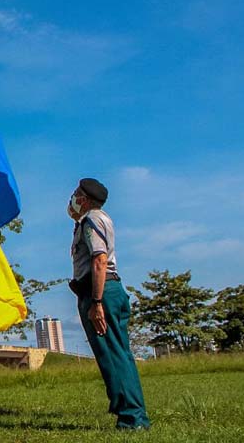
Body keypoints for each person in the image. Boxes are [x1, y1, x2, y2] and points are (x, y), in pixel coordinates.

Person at [68, 178, 150, 430]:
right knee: (119, 354)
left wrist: (96, 302)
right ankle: (133, 414)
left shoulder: (92, 220)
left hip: (101, 292)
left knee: (113, 356)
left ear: (85, 199)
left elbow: (99, 260)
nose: (72, 198)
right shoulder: (97, 219)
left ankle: (132, 419)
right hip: (106, 290)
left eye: (76, 194)